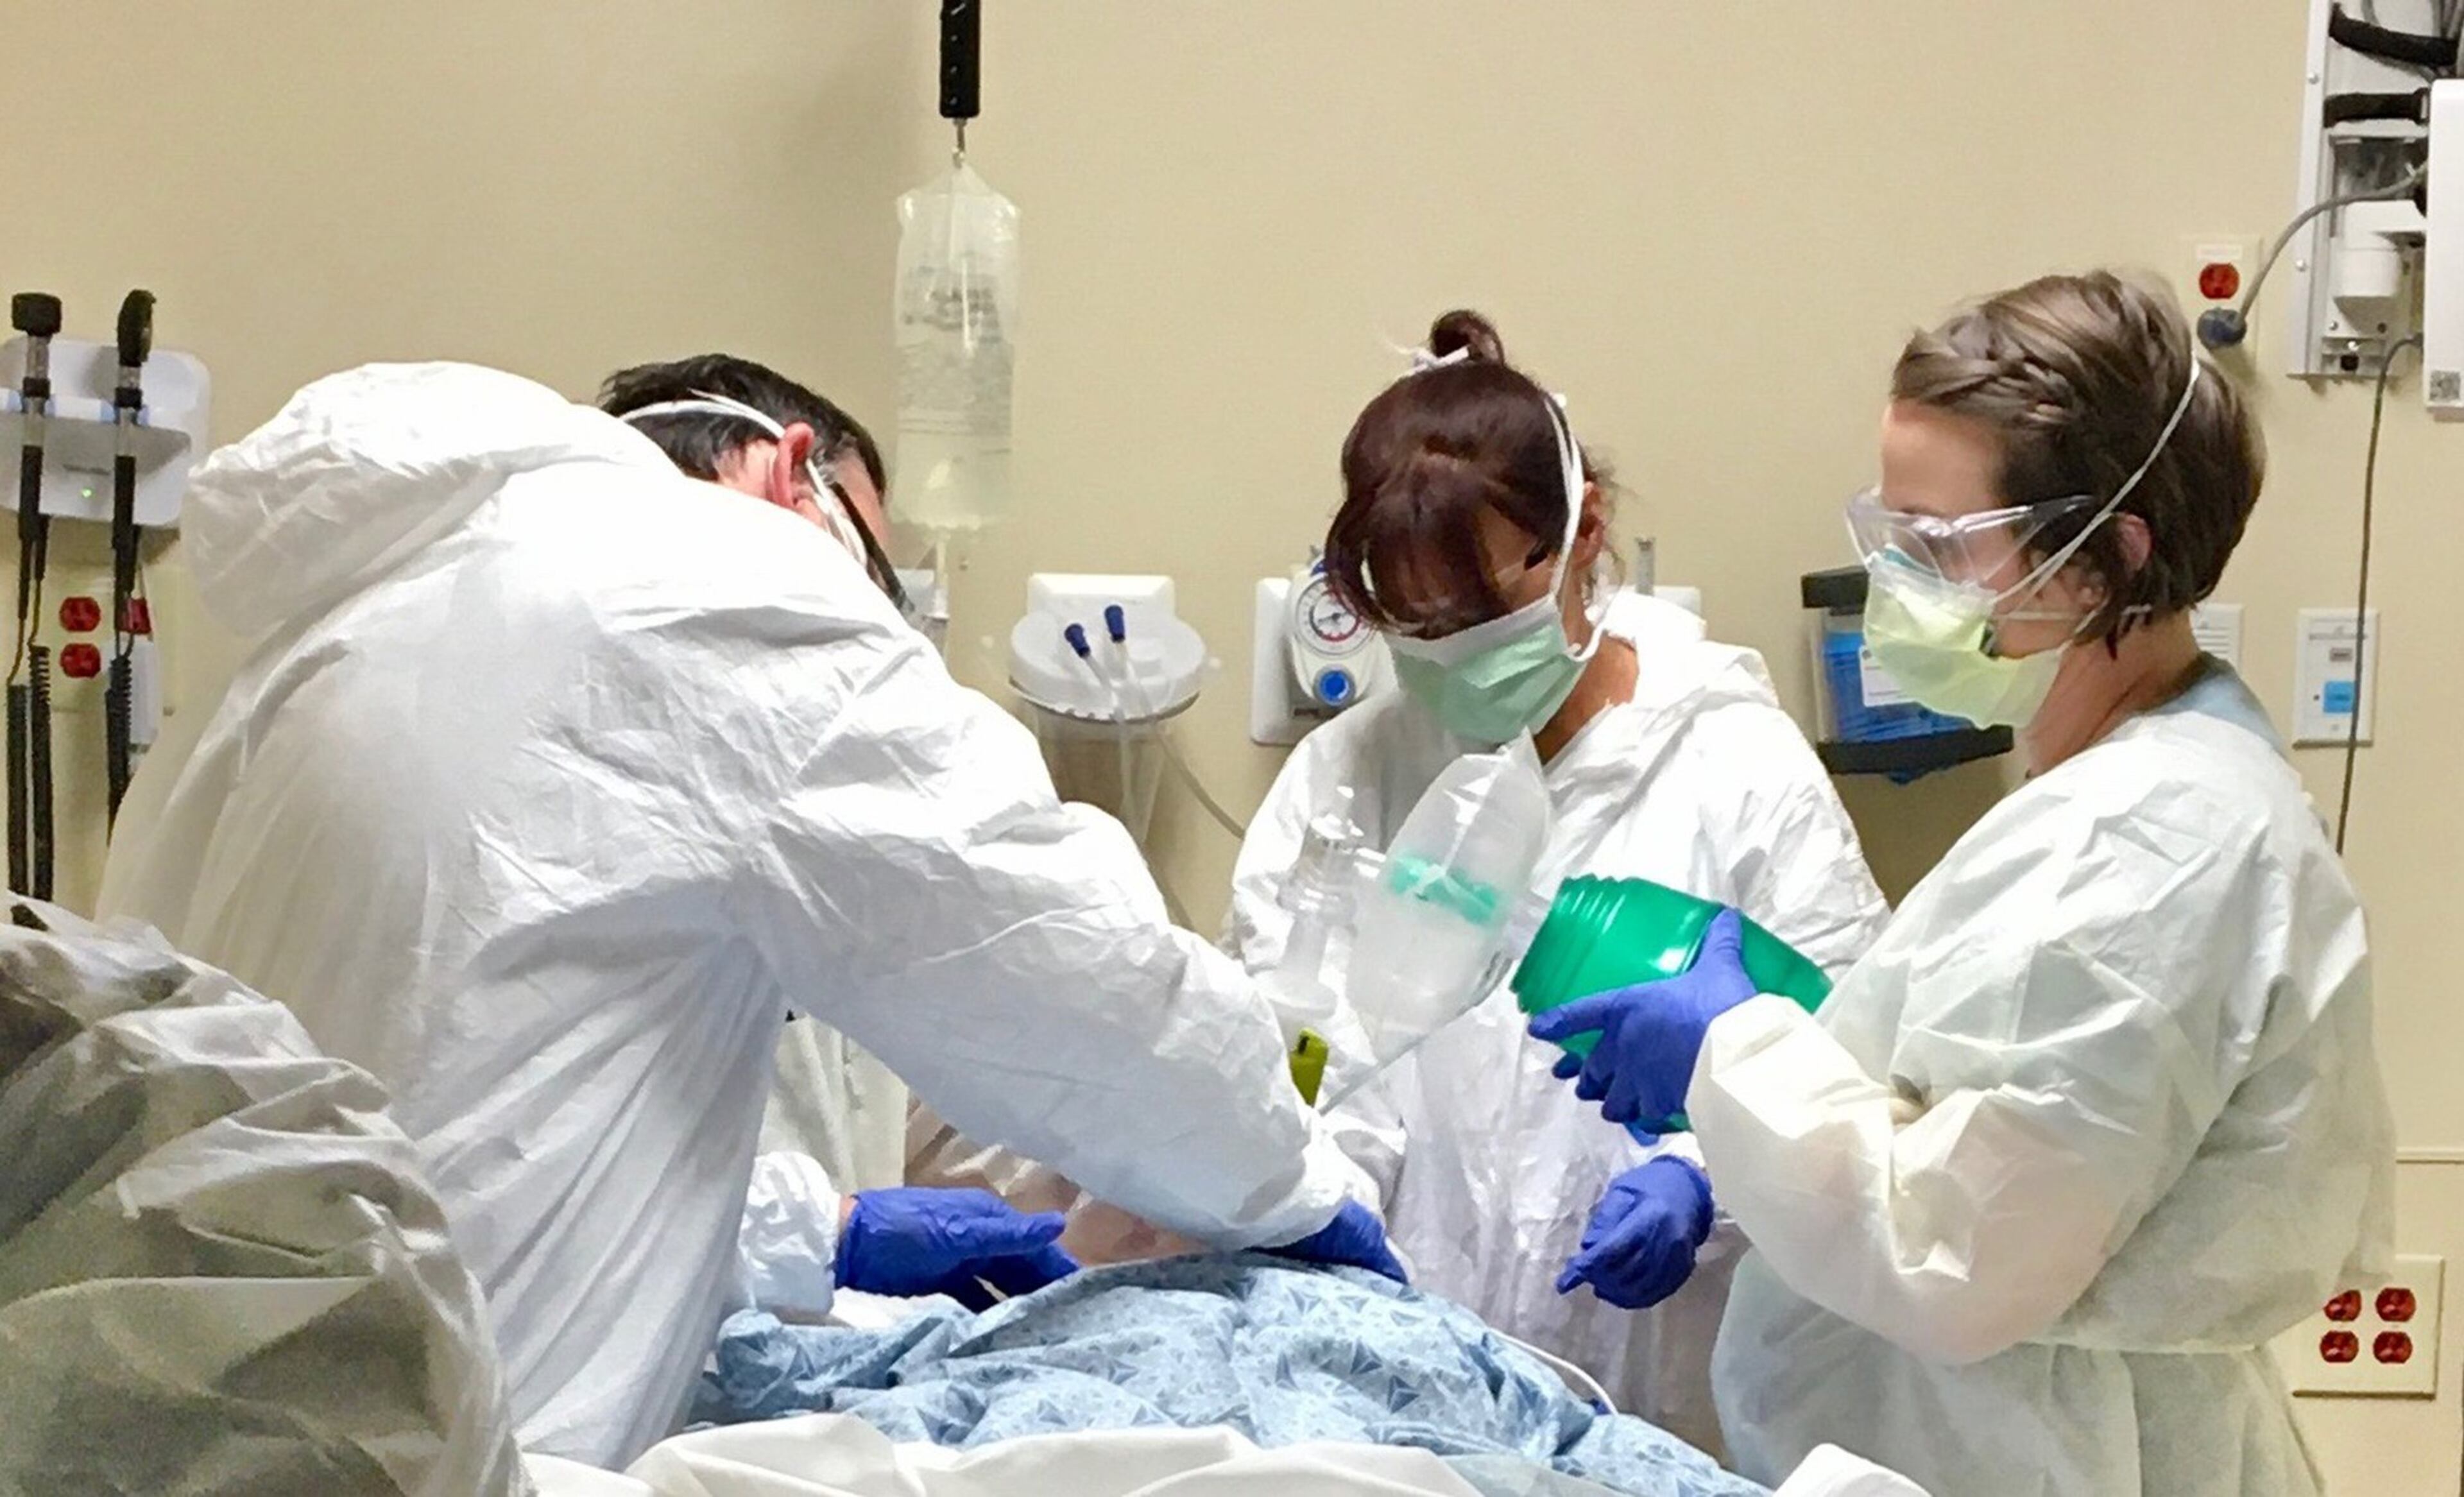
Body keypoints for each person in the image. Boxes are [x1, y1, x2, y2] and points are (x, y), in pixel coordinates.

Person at [97, 355, 1396, 1468]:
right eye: (882, 578)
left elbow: (457, 1125)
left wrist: (812, 1234)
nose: (878, 622)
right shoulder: (706, 579)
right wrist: (1290, 1184)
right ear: (793, 475)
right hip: (447, 1452)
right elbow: (1072, 971)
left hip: (215, 1438)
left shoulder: (310, 659)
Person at [1534, 272, 2397, 1494]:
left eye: (1937, 545)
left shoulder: (2147, 844)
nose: (1896, 581)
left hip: (2053, 1456)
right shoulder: (2123, 787)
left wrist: (1729, 1053)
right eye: (1886, 534)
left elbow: (1963, 1252)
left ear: (2105, 558)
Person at [1227, 311, 1889, 1456]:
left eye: (1480, 614)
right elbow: (1290, 1045)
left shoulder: (1730, 763)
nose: (1450, 653)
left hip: (1672, 1393)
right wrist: (1323, 1195)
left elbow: (1863, 1055)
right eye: (1413, 625)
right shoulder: (1347, 781)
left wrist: (1701, 1176)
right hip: (1401, 1394)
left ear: (1586, 537)